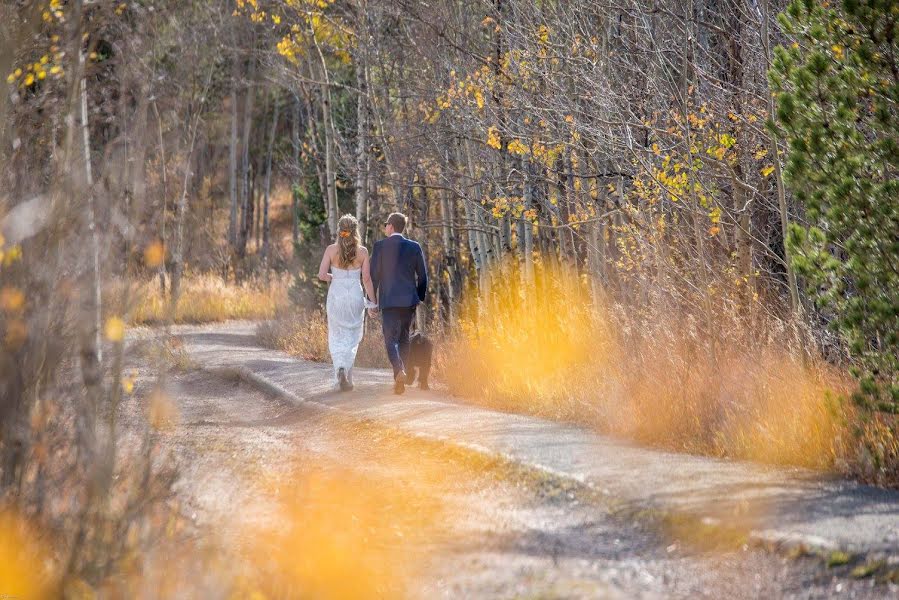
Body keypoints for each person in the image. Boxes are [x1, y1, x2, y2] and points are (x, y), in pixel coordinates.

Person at [366, 212, 428, 395]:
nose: (385, 227)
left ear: (391, 226)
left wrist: (372, 303)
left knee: (389, 339)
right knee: (403, 338)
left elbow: (373, 277)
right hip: (408, 302)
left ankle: (399, 370)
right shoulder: (414, 247)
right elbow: (423, 276)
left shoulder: (380, 247)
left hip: (389, 301)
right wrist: (419, 298)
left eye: (386, 224)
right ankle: (401, 376)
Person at [317, 214, 378, 391]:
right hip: (355, 298)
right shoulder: (363, 252)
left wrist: (334, 276)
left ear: (339, 230)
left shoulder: (330, 250)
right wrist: (373, 302)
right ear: (355, 231)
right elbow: (366, 279)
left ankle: (340, 369)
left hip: (336, 296)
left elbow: (321, 275)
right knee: (352, 337)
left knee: (336, 336)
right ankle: (348, 378)